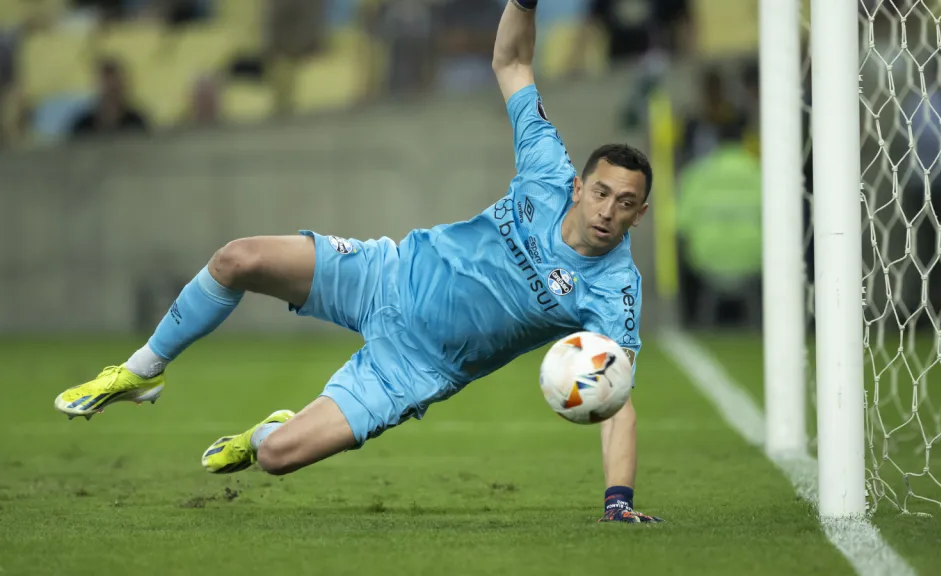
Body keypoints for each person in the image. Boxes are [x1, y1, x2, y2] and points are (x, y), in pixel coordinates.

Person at [54, 0, 662, 524]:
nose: (609, 210)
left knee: (274, 458)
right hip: (385, 273)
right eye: (602, 192)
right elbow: (512, 63)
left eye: (626, 203)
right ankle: (141, 371)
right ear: (580, 187)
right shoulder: (545, 171)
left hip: (413, 369)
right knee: (237, 259)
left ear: (639, 215)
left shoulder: (614, 292)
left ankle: (270, 429)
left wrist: (617, 500)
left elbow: (616, 397)